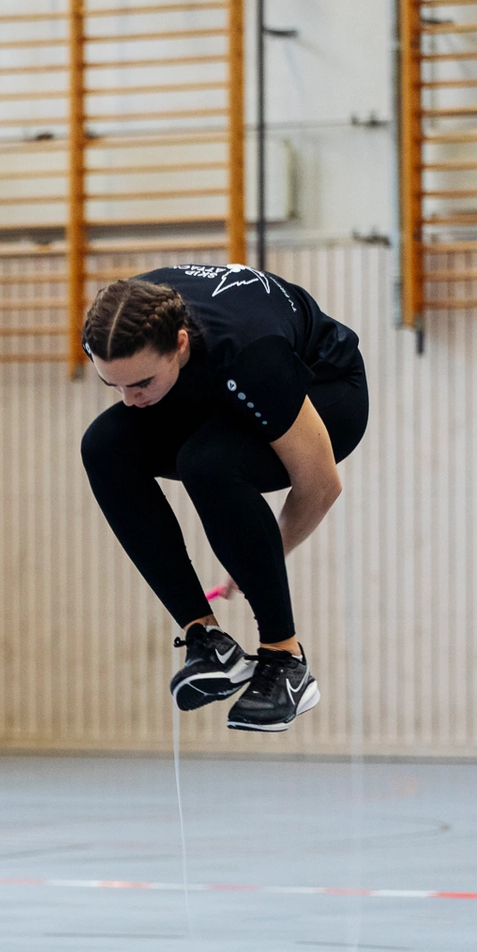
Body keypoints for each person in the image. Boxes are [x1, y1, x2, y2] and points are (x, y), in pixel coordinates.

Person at [78, 265, 366, 732]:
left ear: (180, 344)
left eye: (141, 383)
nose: (129, 400)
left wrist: (260, 556)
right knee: (103, 447)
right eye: (114, 386)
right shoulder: (110, 330)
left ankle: (286, 660)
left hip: (326, 388)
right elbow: (137, 396)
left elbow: (321, 484)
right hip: (214, 388)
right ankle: (206, 639)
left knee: (207, 461)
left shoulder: (253, 355)